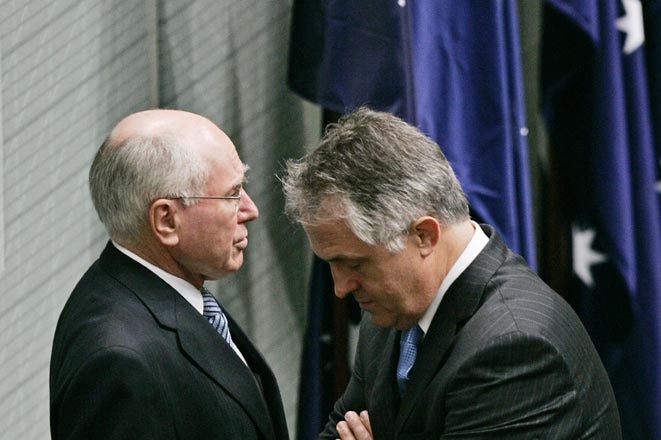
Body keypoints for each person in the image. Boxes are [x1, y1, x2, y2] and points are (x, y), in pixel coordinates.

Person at [282, 107, 622, 439]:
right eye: (332, 264)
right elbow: (340, 426)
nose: (341, 288)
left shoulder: (514, 347)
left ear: (424, 236)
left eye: (355, 264)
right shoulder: (392, 314)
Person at [50, 109, 289, 440]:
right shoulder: (119, 361)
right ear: (166, 220)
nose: (250, 210)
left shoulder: (150, 288)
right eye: (232, 194)